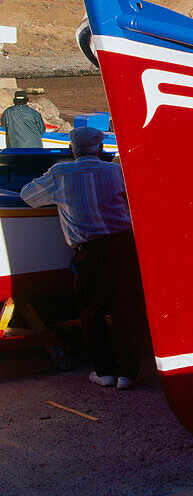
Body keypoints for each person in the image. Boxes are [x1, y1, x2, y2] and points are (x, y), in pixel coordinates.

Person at [20, 127, 145, 390]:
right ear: (101, 150)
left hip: (88, 253)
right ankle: (128, 374)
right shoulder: (116, 171)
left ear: (70, 150)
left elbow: (27, 197)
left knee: (92, 312)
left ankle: (105, 372)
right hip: (123, 248)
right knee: (126, 310)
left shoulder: (59, 174)